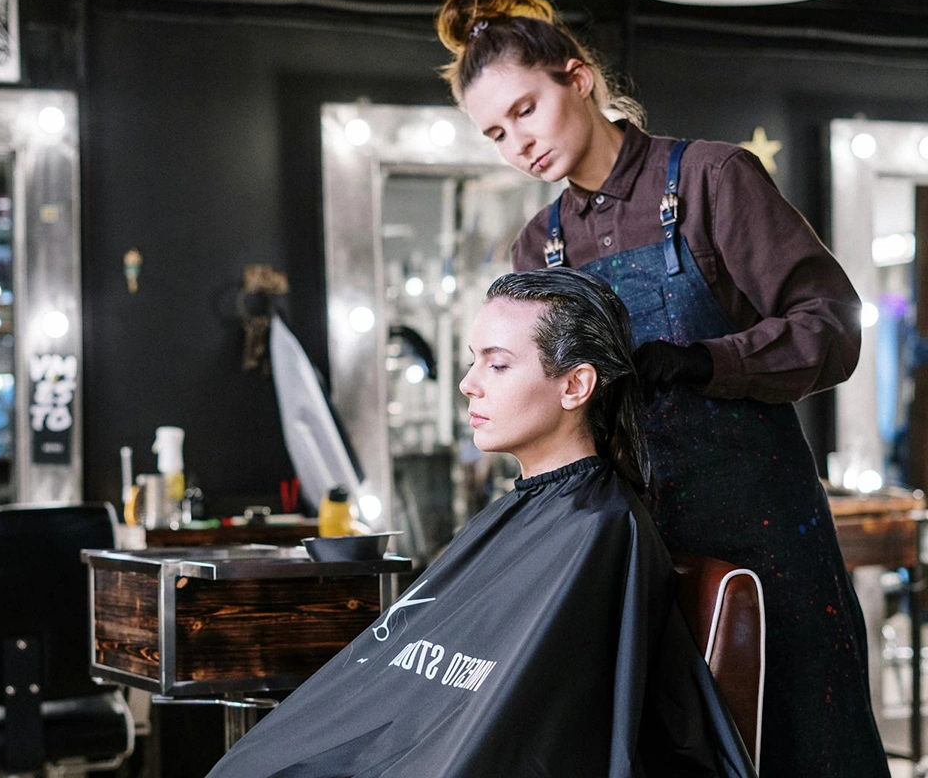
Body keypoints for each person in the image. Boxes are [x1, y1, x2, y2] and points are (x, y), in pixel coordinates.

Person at [436, 0, 888, 778]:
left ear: (577, 78)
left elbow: (834, 329)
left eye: (526, 111)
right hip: (629, 547)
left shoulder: (715, 178)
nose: (518, 144)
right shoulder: (536, 248)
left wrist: (711, 361)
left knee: (807, 739)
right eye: (496, 133)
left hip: (766, 530)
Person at [205, 268, 755, 778]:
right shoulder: (524, 513)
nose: (469, 384)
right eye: (472, 361)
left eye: (496, 364)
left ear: (575, 386)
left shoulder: (597, 531)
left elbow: (508, 730)